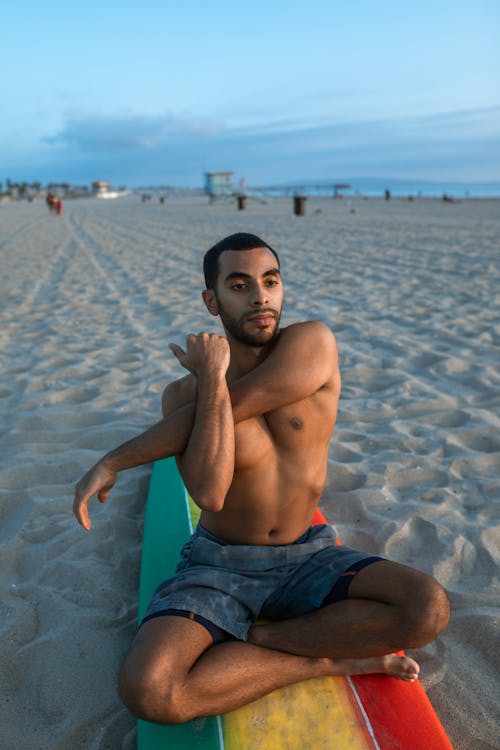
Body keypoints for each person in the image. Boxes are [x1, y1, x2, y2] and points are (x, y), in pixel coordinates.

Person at [73, 233, 450, 724]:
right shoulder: (183, 395)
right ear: (212, 301)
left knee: (427, 608)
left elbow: (243, 402)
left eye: (270, 282)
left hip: (308, 555)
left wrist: (114, 460)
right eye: (239, 284)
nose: (260, 296)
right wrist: (209, 380)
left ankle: (261, 638)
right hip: (218, 567)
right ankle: (321, 659)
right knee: (149, 691)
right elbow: (210, 492)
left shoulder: (311, 342)